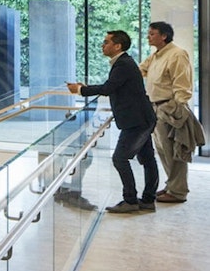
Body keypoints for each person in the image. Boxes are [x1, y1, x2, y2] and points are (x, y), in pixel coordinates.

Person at [67, 30, 158, 213]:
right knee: (147, 158)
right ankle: (147, 200)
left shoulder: (123, 64)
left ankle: (131, 201)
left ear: (118, 46)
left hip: (137, 121)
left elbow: (109, 88)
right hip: (141, 119)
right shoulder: (123, 63)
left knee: (120, 158)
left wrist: (80, 90)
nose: (103, 45)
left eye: (106, 42)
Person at [140, 21, 203, 204]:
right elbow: (140, 70)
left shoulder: (177, 54)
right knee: (163, 150)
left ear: (164, 36)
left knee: (175, 151)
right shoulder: (156, 56)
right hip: (156, 108)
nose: (148, 36)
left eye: (152, 34)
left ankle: (178, 192)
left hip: (169, 108)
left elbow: (182, 84)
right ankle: (171, 186)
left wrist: (176, 108)